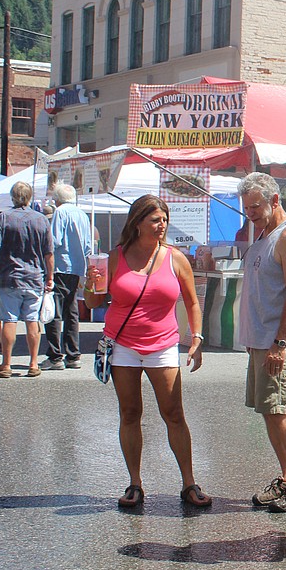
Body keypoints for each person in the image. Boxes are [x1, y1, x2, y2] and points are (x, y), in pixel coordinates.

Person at [83, 195, 211, 509]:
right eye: (155, 220)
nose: (162, 225)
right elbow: (92, 304)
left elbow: (192, 301)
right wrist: (91, 284)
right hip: (122, 345)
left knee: (174, 415)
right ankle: (135, 484)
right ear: (137, 223)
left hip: (163, 346)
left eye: (164, 219)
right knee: (129, 414)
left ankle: (189, 483)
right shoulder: (114, 258)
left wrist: (196, 337)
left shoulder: (175, 258)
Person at [237, 172, 286, 514]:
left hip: (280, 343)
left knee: (280, 411)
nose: (250, 213)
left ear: (274, 201)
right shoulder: (264, 234)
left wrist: (280, 343)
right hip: (261, 340)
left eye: (255, 206)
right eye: (247, 208)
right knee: (269, 412)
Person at [0, 181, 53, 379]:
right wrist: (50, 277)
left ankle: (6, 364)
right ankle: (33, 363)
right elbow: (48, 252)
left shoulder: (3, 218)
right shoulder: (42, 220)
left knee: (9, 319)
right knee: (32, 320)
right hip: (34, 277)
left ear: (12, 196)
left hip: (9, 276)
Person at [44, 183, 92, 370]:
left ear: (58, 198)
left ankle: (55, 355)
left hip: (61, 265)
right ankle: (73, 354)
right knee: (71, 311)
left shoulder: (61, 212)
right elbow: (88, 244)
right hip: (77, 266)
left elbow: (54, 240)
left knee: (55, 311)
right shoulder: (82, 214)